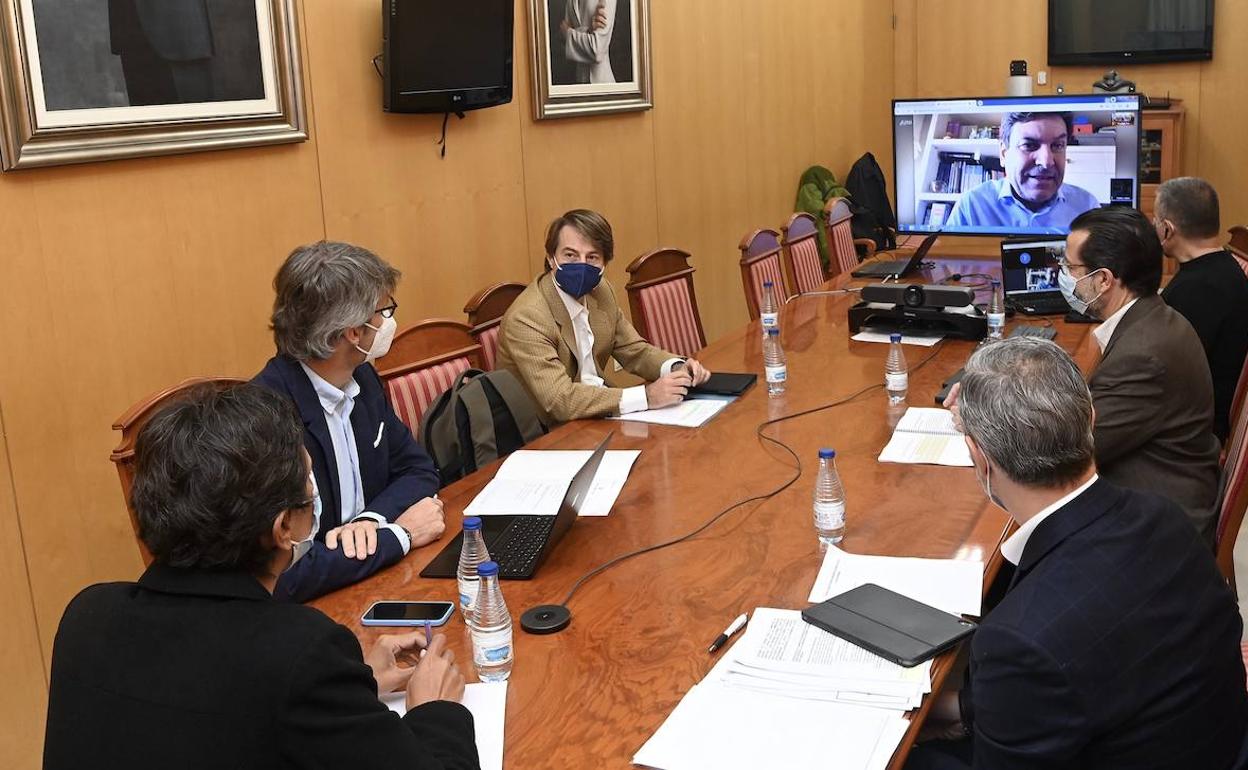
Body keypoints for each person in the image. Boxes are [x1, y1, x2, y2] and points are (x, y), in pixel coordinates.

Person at [44, 384, 479, 769]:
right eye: (311, 497)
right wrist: (435, 709)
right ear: (284, 528)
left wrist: (349, 687)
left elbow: (213, 714)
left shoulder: (86, 616)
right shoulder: (300, 651)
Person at [907, 337, 1247, 770]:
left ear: (980, 458)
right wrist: (966, 709)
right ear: (1090, 418)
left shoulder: (1019, 639)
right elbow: (1106, 671)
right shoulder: (1164, 517)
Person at [254, 241, 445, 603]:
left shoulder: (364, 379)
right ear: (353, 333)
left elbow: (419, 470)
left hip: (372, 584)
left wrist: (371, 521)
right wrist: (398, 535)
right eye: (384, 311)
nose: (389, 322)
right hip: (311, 612)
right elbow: (278, 577)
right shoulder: (265, 419)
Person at [1059, 206, 1221, 541]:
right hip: (1159, 487)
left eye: (1070, 267)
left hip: (1157, 527)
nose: (1063, 275)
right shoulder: (1155, 318)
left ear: (1103, 279)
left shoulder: (1143, 355)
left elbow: (1071, 451)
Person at [497, 209, 711, 425]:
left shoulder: (601, 291)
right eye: (570, 255)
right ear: (551, 259)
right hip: (548, 434)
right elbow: (559, 400)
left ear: (604, 264)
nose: (581, 265)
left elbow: (635, 351)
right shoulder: (527, 317)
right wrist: (646, 397)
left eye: (592, 257)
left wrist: (676, 368)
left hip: (599, 416)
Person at [1155, 177, 1248, 441]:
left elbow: (1162, 372)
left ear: (1167, 230)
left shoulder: (1199, 289)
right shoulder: (1221, 269)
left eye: (1156, 220)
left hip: (1191, 434)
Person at [944, 112, 1100, 232]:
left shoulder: (1087, 208)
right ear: (1004, 154)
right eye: (1029, 145)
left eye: (1058, 145)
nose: (1046, 162)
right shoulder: (972, 206)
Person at [559, 0, 616, 84]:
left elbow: (597, 50)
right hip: (578, 83)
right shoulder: (570, 1)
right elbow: (563, 44)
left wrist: (569, 34)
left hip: (602, 84)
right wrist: (588, 31)